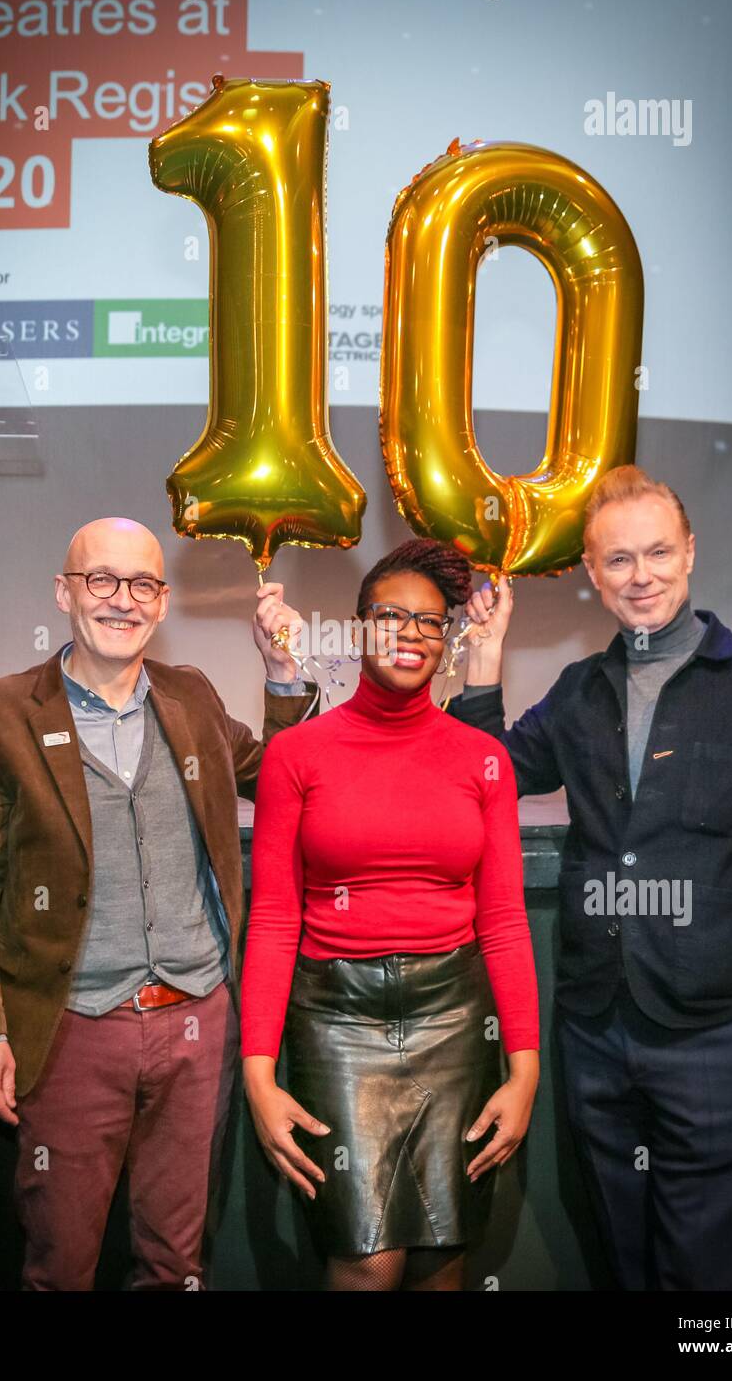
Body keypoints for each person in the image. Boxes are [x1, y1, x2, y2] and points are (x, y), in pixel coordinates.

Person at [449, 466, 732, 1291]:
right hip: (597, 1027)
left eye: (658, 552)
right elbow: (487, 773)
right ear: (593, 574)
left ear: (691, 552)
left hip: (720, 1029)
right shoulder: (580, 690)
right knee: (619, 1264)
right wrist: (482, 666)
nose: (642, 576)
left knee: (700, 1276)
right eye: (619, 560)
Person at [0, 517, 315, 1290]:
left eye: (142, 584)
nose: (123, 600)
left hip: (199, 1019)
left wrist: (281, 673)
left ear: (163, 600)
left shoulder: (192, 698)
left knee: (176, 1263)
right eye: (101, 580)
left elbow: (281, 780)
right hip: (73, 1028)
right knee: (60, 1266)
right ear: (64, 592)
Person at [240, 539, 540, 1291]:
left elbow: (503, 918)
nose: (410, 634)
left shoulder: (483, 758)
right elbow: (275, 919)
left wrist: (524, 1069)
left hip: (454, 1019)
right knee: (367, 1261)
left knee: (444, 1260)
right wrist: (259, 1074)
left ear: (447, 642)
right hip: (336, 1022)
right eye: (391, 617)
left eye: (430, 623)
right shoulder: (296, 754)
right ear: (358, 626)